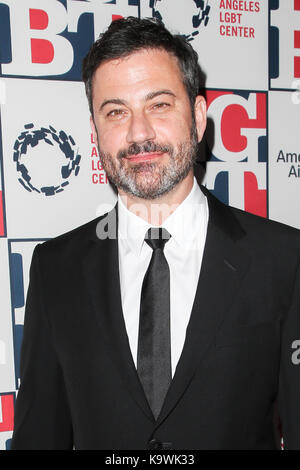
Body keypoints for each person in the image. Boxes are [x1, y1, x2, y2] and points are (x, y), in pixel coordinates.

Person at [11, 17, 300, 450]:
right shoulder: (56, 269)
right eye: (116, 112)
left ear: (199, 118)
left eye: (159, 105)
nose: (138, 133)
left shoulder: (283, 259)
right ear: (96, 134)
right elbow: (39, 436)